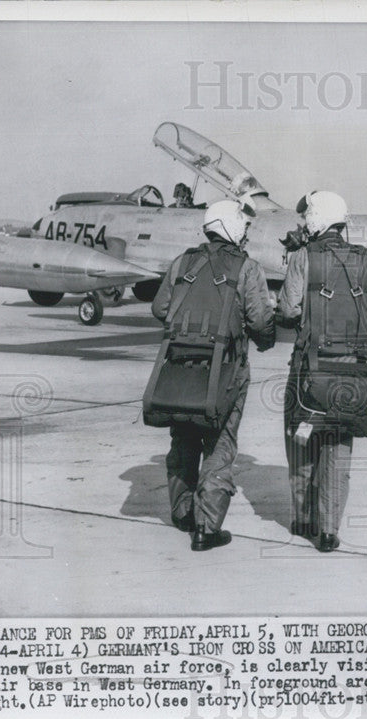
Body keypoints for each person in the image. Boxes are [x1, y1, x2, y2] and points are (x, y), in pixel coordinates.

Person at [151, 199, 275, 551]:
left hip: (179, 368)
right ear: (232, 226)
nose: (247, 232)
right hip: (227, 371)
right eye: (244, 226)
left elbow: (160, 308)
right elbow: (261, 320)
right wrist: (263, 342)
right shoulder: (247, 268)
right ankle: (206, 527)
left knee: (183, 438)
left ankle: (182, 513)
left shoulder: (182, 263)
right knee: (220, 444)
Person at [276, 191, 367, 553]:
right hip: (350, 373)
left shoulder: (302, 257)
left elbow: (288, 311)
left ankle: (303, 519)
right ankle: (328, 532)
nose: (304, 222)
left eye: (308, 216)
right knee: (338, 446)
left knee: (302, 440)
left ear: (317, 219)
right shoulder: (365, 260)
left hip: (308, 373)